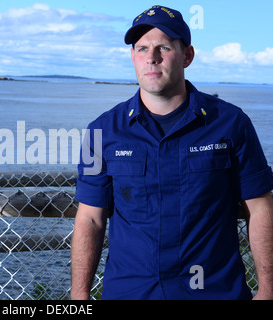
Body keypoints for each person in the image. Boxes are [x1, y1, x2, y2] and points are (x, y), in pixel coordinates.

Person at [71, 5, 273, 300]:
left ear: (187, 55)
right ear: (132, 57)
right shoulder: (100, 131)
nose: (151, 58)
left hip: (214, 293)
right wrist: (79, 296)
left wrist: (268, 289)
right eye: (141, 49)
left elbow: (260, 207)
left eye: (163, 47)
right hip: (130, 293)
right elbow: (90, 218)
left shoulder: (231, 123)